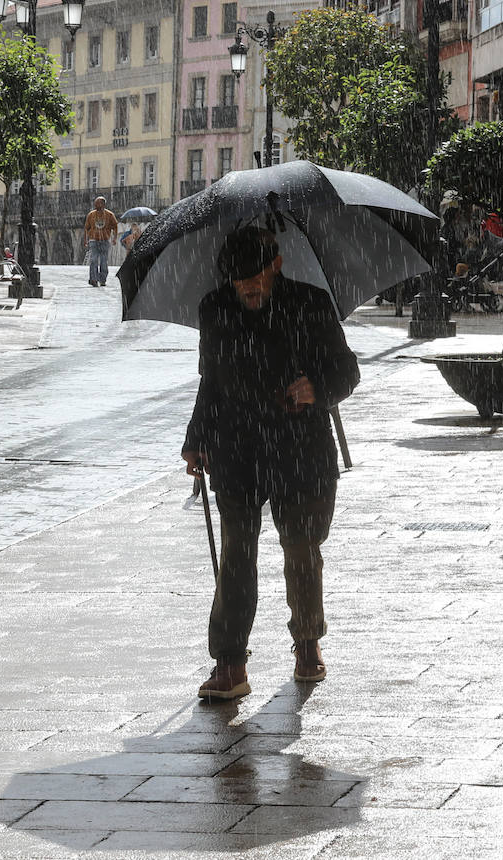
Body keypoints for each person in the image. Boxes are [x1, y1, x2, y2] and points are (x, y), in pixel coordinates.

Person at [182, 224, 361, 700]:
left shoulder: (310, 304)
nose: (248, 287)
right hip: (237, 447)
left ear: (275, 264)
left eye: (255, 276)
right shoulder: (215, 310)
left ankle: (306, 642)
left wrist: (317, 389)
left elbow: (347, 371)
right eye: (238, 280)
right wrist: (196, 439)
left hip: (299, 446)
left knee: (302, 549)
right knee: (236, 555)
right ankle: (230, 662)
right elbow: (211, 382)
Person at [82, 195, 119, 287]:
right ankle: (93, 279)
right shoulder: (91, 215)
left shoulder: (110, 215)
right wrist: (85, 239)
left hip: (105, 240)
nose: (95, 205)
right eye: (95, 203)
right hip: (93, 240)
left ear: (103, 204)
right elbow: (86, 228)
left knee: (103, 261)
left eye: (97, 203)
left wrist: (114, 238)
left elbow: (115, 226)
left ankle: (102, 279)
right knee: (93, 260)